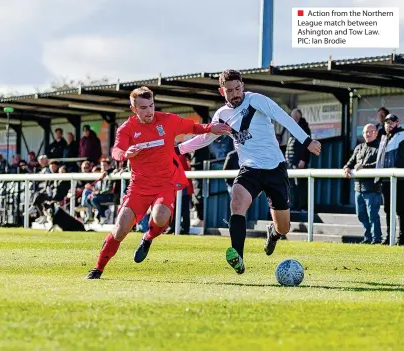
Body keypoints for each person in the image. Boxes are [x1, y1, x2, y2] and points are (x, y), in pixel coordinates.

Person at [178, 69, 321, 274]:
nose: (235, 93)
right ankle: (238, 257)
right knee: (237, 203)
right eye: (230, 90)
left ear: (242, 86)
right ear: (222, 91)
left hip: (275, 168)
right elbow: (204, 139)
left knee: (283, 227)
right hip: (249, 169)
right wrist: (177, 150)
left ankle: (273, 232)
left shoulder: (256, 100)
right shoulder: (221, 115)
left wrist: (306, 141)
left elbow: (282, 117)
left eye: (238, 88)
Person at [85, 86, 231, 279]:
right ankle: (98, 269)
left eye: (151, 105)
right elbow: (116, 150)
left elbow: (191, 126)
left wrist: (211, 128)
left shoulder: (167, 120)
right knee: (120, 229)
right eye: (144, 108)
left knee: (161, 216)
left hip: (165, 183)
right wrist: (124, 155)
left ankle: (148, 238)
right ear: (134, 109)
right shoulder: (127, 129)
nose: (149, 111)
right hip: (138, 187)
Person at [343, 124, 382, 244]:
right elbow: (350, 162)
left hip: (372, 188)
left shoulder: (380, 147)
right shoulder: (359, 147)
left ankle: (376, 239)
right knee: (361, 215)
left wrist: (363, 167)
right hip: (358, 188)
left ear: (375, 133)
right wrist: (346, 168)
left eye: (370, 132)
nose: (368, 134)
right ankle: (367, 237)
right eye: (365, 132)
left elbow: (379, 164)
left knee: (373, 215)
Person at [375, 114, 404, 245]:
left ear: (397, 123)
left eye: (392, 121)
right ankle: (389, 237)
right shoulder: (383, 138)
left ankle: (402, 237)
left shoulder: (402, 135)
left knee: (401, 210)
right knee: (388, 210)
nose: (389, 124)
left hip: (400, 179)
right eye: (387, 122)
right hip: (386, 180)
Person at [285, 108, 311, 211]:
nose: (293, 118)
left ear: (298, 116)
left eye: (295, 116)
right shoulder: (293, 127)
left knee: (300, 186)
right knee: (293, 186)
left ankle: (303, 207)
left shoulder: (304, 127)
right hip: (291, 163)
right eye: (292, 116)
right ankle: (295, 206)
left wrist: (303, 159)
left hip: (299, 162)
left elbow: (306, 144)